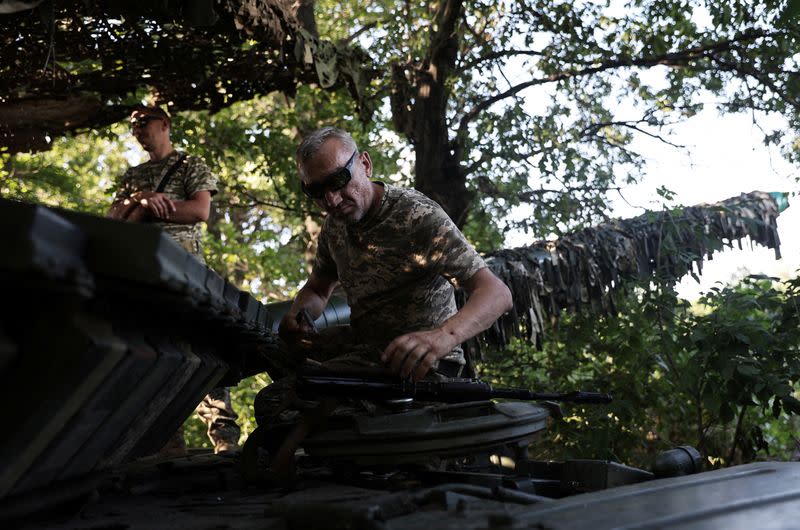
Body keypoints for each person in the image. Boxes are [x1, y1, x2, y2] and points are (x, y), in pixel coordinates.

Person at [277, 126, 513, 382]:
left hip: (426, 366)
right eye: (317, 191)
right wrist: (298, 315)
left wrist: (444, 336)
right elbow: (318, 290)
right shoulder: (334, 228)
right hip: (366, 352)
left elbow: (496, 293)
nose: (331, 200)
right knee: (272, 354)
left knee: (280, 401)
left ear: (365, 164)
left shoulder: (418, 217)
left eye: (337, 181)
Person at [108, 105, 240, 455]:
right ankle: (167, 445)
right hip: (143, 277)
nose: (136, 129)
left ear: (164, 124)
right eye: (132, 125)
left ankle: (224, 441)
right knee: (158, 355)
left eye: (143, 122)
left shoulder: (190, 164)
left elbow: (199, 210)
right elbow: (114, 218)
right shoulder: (132, 177)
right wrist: (142, 198)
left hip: (187, 276)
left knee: (203, 350)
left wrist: (151, 207)